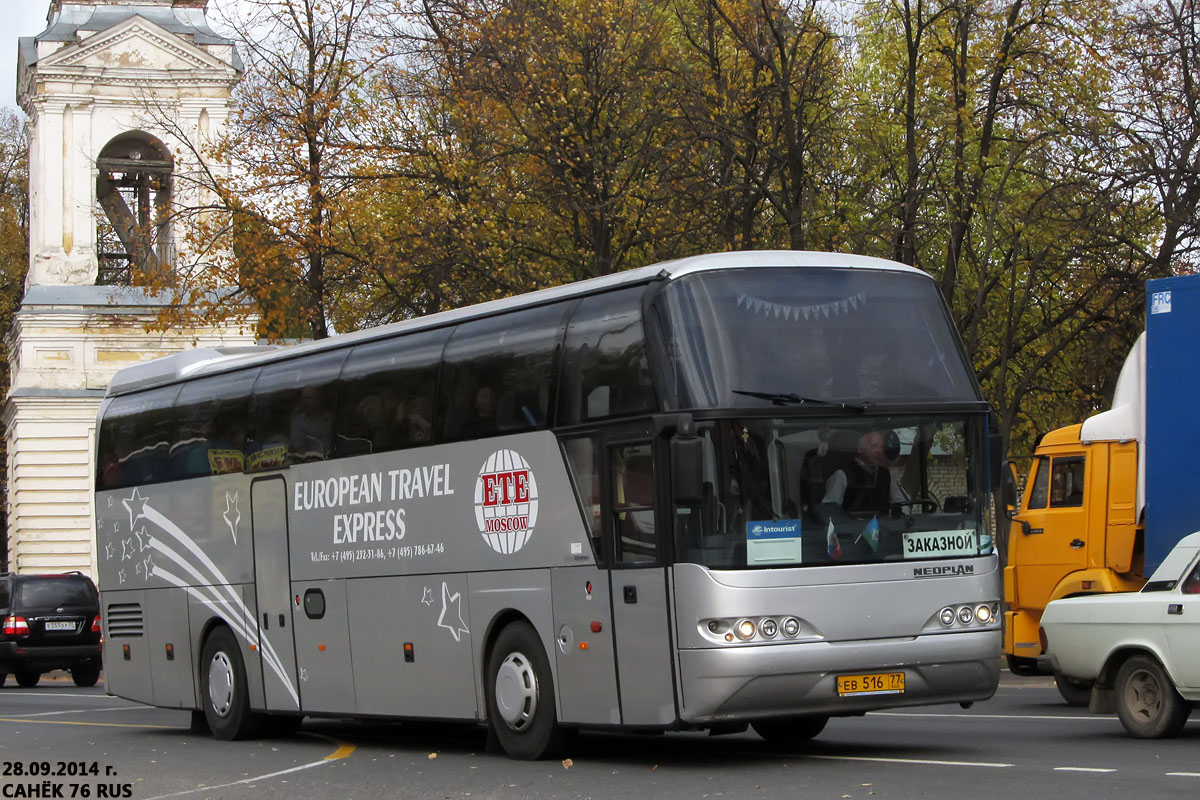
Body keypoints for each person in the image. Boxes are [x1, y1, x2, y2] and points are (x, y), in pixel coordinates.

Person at [821, 429, 906, 516]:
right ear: (860, 449)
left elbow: (902, 506)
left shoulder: (886, 475)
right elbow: (829, 510)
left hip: (883, 528)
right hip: (851, 528)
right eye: (874, 446)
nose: (879, 451)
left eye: (881, 447)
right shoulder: (842, 475)